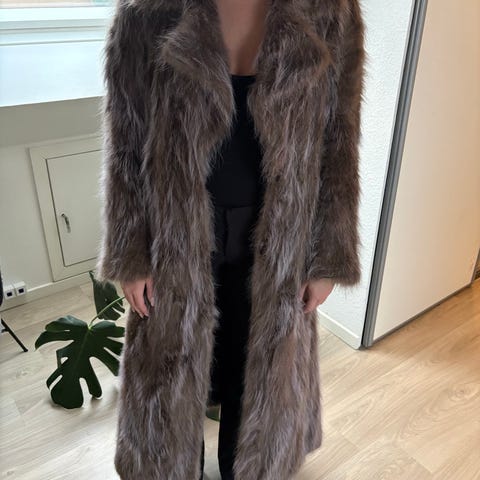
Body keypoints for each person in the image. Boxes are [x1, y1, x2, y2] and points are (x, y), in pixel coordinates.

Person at [95, 0, 365, 478]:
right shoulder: (146, 12)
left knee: (260, 373)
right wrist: (131, 254)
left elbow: (339, 139)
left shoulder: (329, 10)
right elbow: (127, 144)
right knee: (171, 374)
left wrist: (328, 256)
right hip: (175, 236)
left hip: (281, 237)